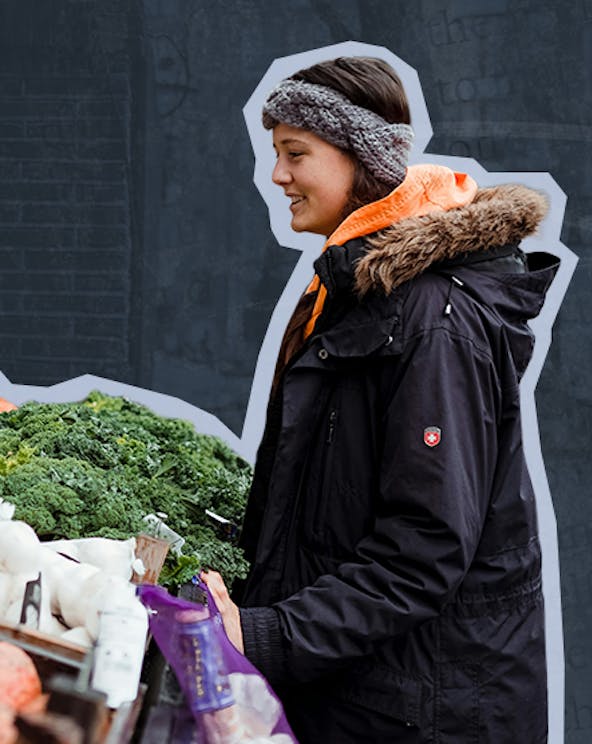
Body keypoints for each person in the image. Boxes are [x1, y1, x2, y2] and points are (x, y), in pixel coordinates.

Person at [202, 56, 558, 743]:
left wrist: (266, 634)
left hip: (424, 711)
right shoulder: (359, 294)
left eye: (294, 153)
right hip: (366, 693)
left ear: (360, 157)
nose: (277, 176)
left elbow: (424, 545)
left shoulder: (430, 317)